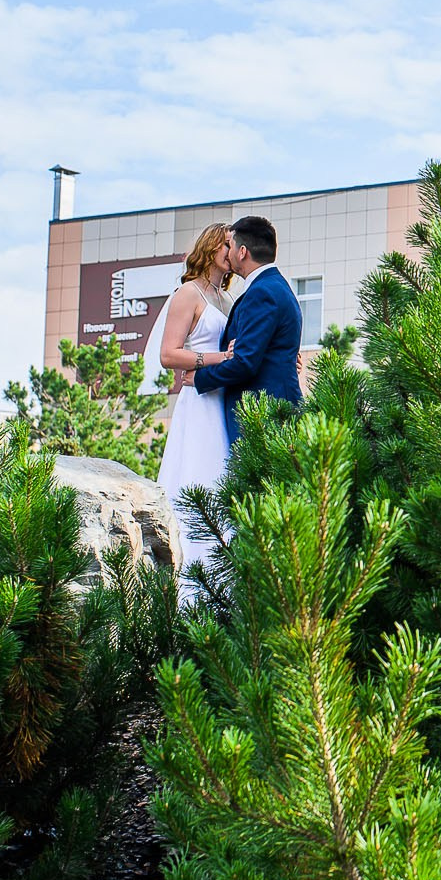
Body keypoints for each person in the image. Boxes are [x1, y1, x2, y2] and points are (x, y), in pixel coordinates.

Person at [152, 222, 234, 599]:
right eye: (228, 244)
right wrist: (218, 358)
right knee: (197, 474)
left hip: (222, 398)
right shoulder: (189, 293)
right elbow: (169, 354)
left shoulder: (229, 299)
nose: (233, 251)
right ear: (212, 246)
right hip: (197, 400)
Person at [197, 213, 301, 445]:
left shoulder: (262, 293)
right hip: (274, 410)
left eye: (230, 245)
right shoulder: (276, 286)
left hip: (265, 417)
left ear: (242, 252)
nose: (228, 252)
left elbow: (245, 363)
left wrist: (199, 378)